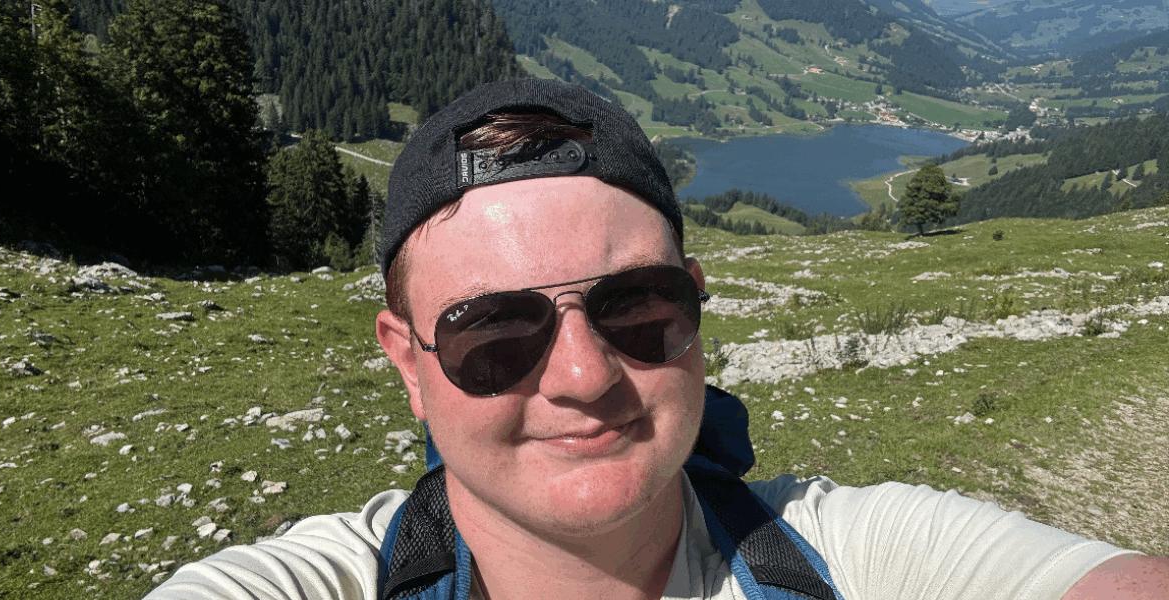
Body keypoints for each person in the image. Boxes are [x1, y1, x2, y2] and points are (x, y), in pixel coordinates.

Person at [146, 79, 1168, 599]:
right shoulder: (319, 583)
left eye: (635, 308)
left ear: (696, 301)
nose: (586, 377)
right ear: (408, 362)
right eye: (495, 330)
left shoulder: (851, 560)